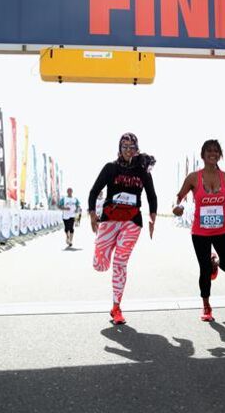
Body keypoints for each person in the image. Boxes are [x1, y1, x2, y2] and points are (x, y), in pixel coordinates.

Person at [88, 132, 157, 325]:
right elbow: (94, 191)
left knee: (120, 263)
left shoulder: (143, 171)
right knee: (100, 265)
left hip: (132, 221)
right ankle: (102, 250)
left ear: (137, 149)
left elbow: (152, 196)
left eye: (132, 147)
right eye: (125, 147)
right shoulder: (111, 168)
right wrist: (92, 213)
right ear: (120, 148)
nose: (128, 150)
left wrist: (153, 217)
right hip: (110, 219)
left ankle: (116, 307)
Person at [173, 139, 225, 322]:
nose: (212, 153)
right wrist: (176, 207)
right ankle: (206, 306)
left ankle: (216, 262)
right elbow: (179, 197)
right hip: (200, 232)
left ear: (220, 154)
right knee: (204, 269)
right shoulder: (193, 177)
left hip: (222, 230)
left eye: (216, 150)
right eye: (209, 151)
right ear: (203, 155)